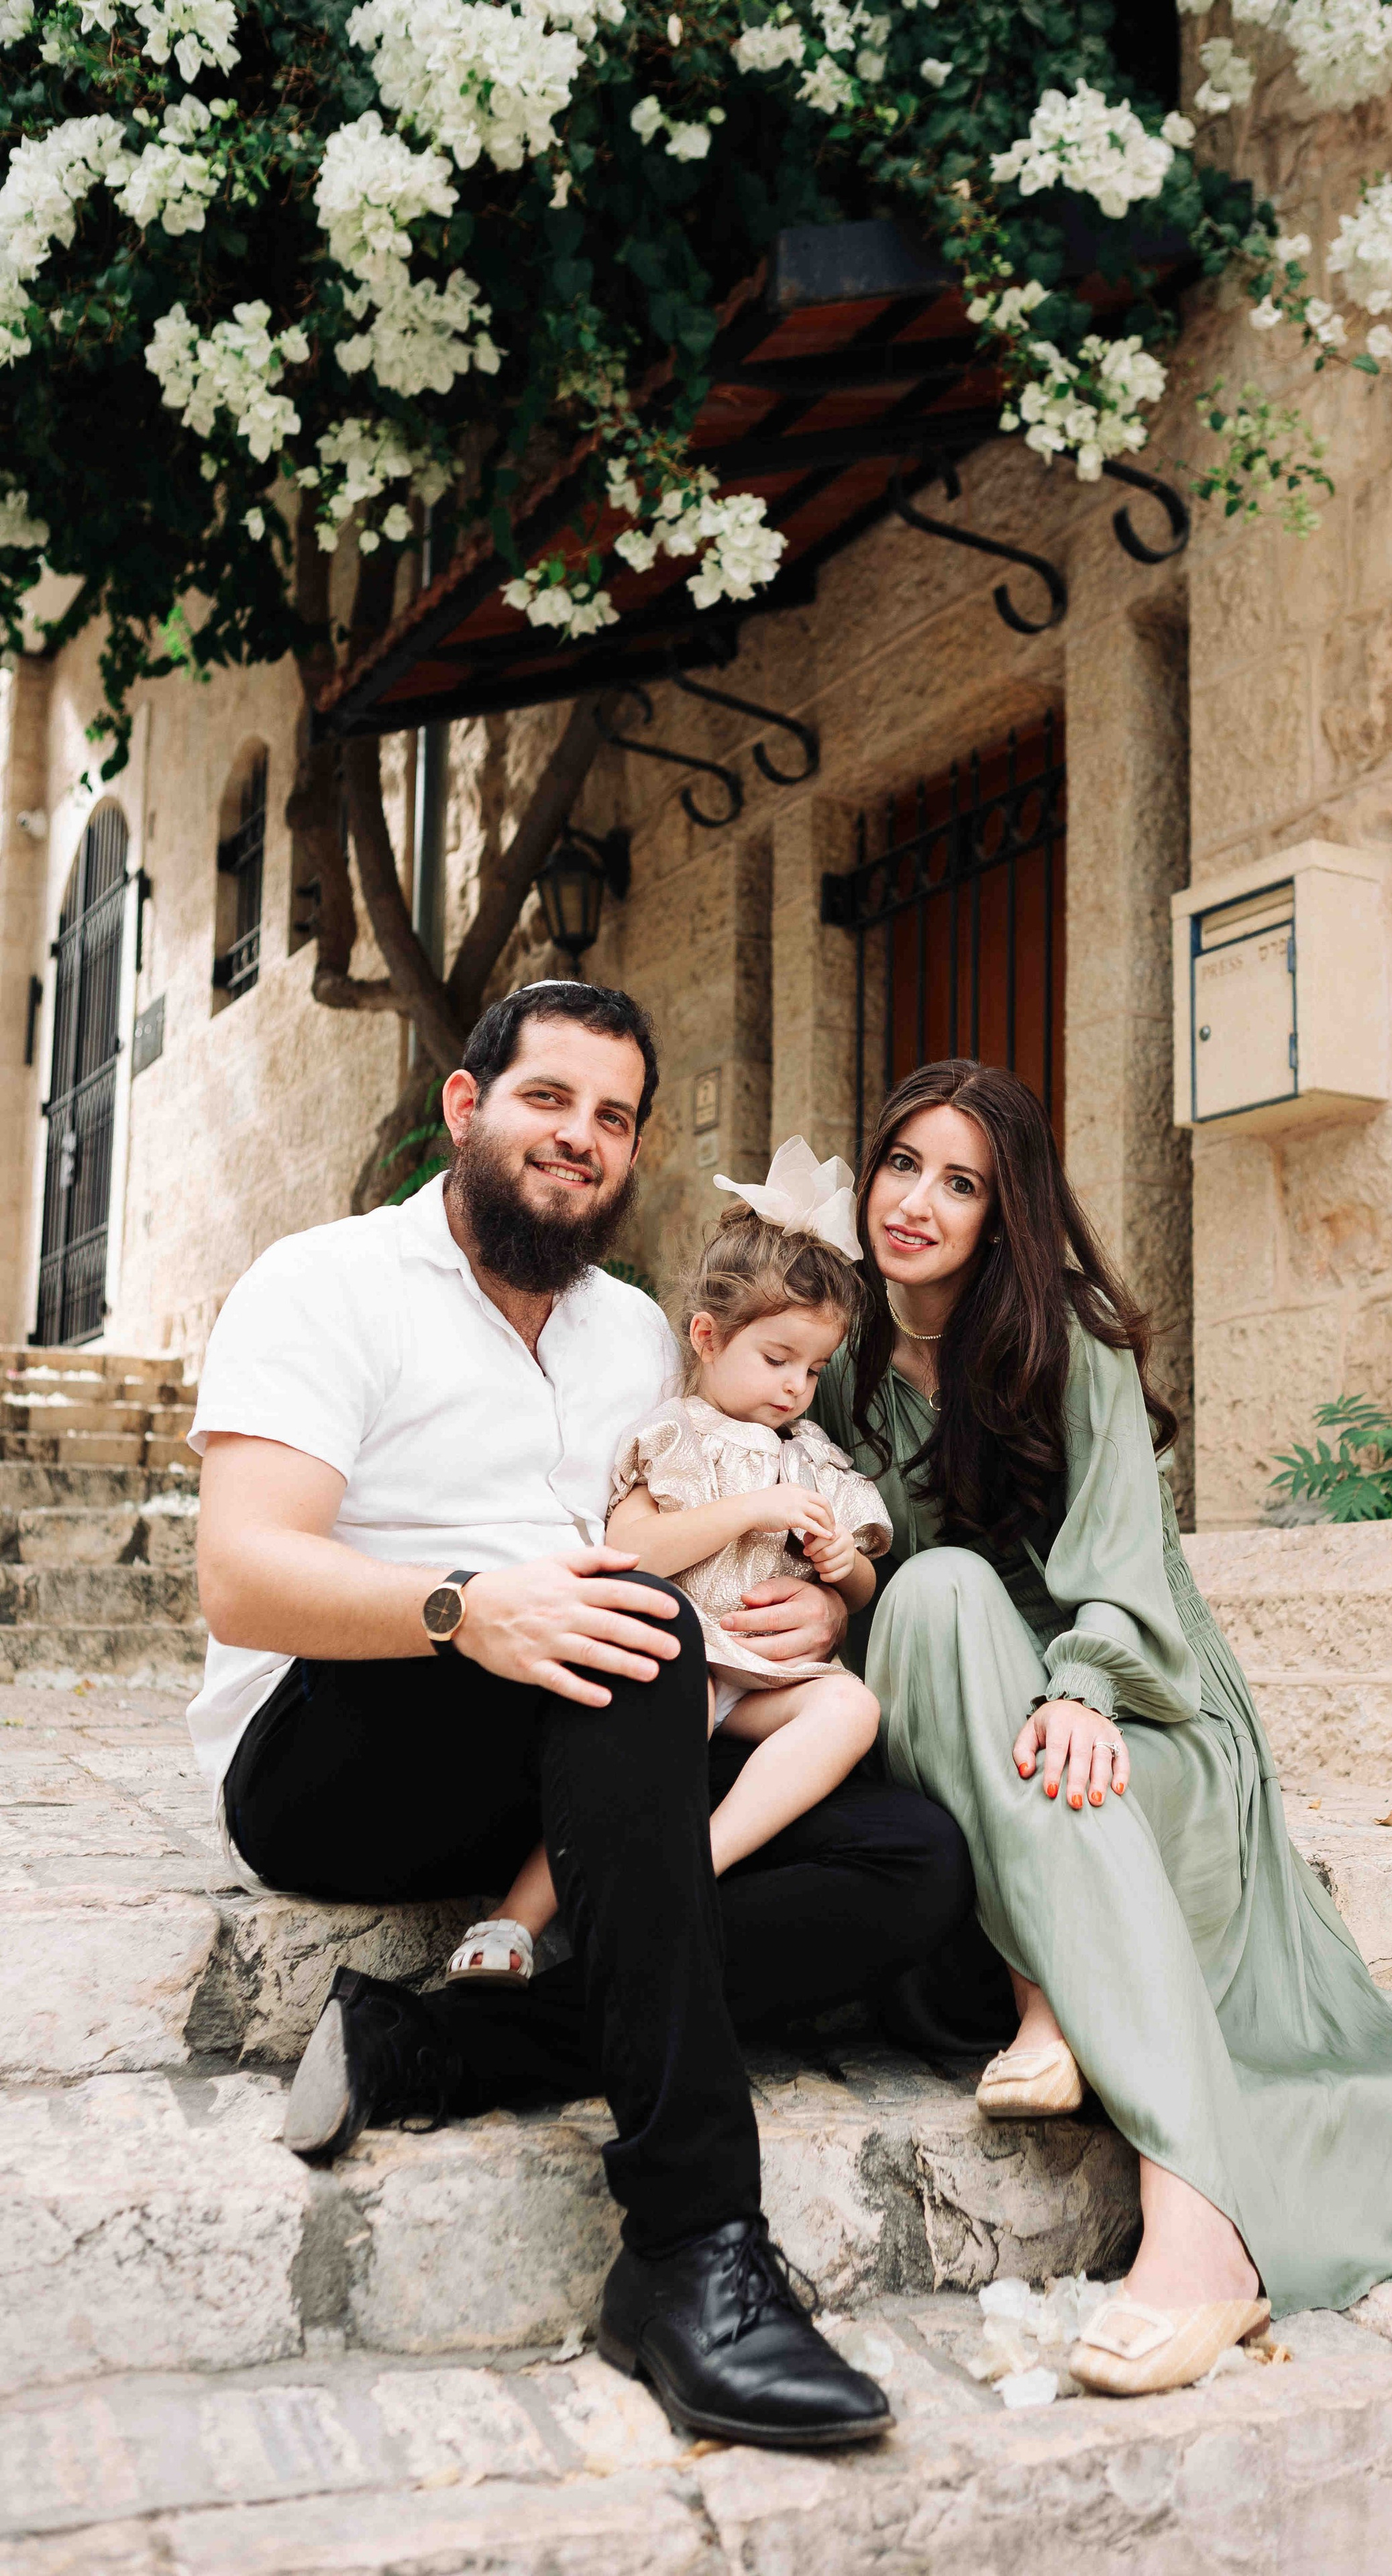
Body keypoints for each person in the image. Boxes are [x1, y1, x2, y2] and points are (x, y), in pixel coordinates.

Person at [186, 978, 972, 2450]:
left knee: (908, 1862)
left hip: (586, 1736)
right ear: (466, 1109)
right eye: (549, 1100)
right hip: (341, 1737)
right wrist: (465, 1607)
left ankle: (436, 2048)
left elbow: (726, 1511)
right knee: (635, 1628)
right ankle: (688, 2248)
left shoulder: (634, 1336)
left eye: (614, 1118)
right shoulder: (325, 1283)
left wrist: (827, 1605)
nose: (581, 1139)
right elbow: (243, 1577)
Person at [812, 1057, 1392, 2400]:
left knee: (1051, 1743)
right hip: (965, 1717)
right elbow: (871, 1598)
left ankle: (1196, 2226)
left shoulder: (1068, 1339)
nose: (915, 1201)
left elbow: (1121, 1567)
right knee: (932, 1589)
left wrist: (1082, 1687)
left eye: (960, 1181)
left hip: (1136, 1711)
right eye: (900, 1164)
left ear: (1006, 1212)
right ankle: (1047, 2004)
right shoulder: (837, 1360)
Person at [444, 1138, 891, 1983]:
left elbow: (864, 1579)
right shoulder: (679, 1434)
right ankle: (513, 1919)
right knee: (630, 1747)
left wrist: (841, 1566)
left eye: (815, 1368)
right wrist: (752, 1509)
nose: (797, 1386)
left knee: (852, 1711)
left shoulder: (814, 1453)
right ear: (708, 1336)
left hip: (761, 1675)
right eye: (776, 1359)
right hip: (679, 1663)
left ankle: (696, 1861)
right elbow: (632, 1548)